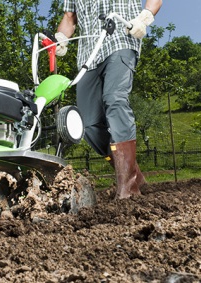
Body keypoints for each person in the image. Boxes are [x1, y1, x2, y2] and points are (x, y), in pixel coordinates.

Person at [54, 0, 163, 199]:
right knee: (87, 125)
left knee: (114, 99)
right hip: (89, 55)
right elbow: (69, 18)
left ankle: (128, 188)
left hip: (121, 40)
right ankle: (135, 176)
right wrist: (61, 38)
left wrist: (144, 18)